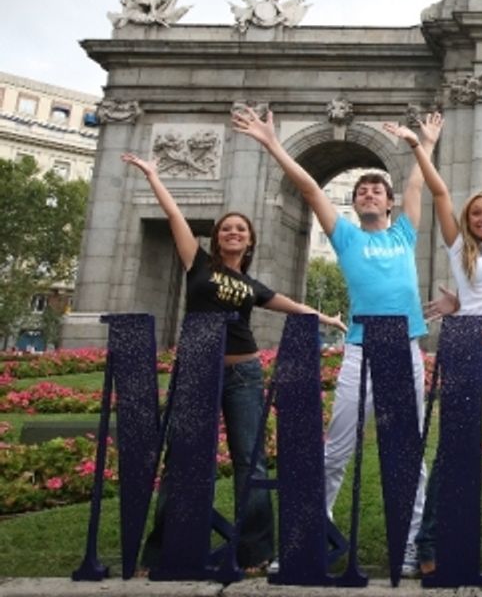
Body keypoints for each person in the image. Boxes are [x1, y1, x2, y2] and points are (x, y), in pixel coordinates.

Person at [232, 107, 441, 577]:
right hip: (360, 352)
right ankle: (307, 542)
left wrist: (424, 145)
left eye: (376, 190)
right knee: (334, 451)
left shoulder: (405, 233)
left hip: (403, 350)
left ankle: (411, 547)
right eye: (361, 191)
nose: (368, 194)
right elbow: (310, 188)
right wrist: (273, 143)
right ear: (355, 204)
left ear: (389, 204)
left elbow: (417, 184)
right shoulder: (345, 236)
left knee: (408, 455)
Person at [122, 153, 345, 572]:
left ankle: (255, 551)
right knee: (181, 459)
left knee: (251, 460)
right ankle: (163, 551)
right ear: (216, 238)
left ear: (250, 241)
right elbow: (175, 216)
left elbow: (290, 305)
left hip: (244, 372)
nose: (233, 232)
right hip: (197, 369)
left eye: (240, 229)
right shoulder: (197, 263)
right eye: (226, 228)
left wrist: (326, 318)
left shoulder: (251, 285)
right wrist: (153, 175)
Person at [398, 114, 482, 575]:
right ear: (467, 219)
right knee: (453, 448)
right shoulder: (458, 247)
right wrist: (421, 146)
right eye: (477, 213)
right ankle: (430, 541)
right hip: (466, 350)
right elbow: (440, 192)